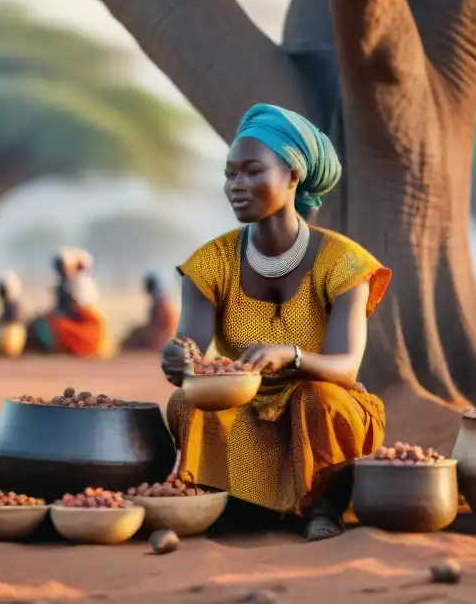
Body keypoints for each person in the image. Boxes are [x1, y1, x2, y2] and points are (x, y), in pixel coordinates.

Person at [160, 103, 391, 542]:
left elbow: (347, 368)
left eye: (252, 172)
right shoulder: (211, 263)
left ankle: (322, 505)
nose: (237, 186)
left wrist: (292, 356)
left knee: (320, 398)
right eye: (230, 174)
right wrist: (178, 356)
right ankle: (235, 502)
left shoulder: (343, 262)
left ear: (292, 178)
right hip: (242, 409)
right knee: (187, 404)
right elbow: (189, 345)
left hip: (318, 412)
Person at [26, 249, 109, 357]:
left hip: (83, 330)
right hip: (85, 328)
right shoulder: (76, 283)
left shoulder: (77, 283)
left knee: (48, 326)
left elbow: (77, 310)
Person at [121, 274, 178, 352]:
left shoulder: (162, 305)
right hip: (161, 337)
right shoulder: (163, 301)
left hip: (160, 341)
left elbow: (157, 329)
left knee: (133, 337)